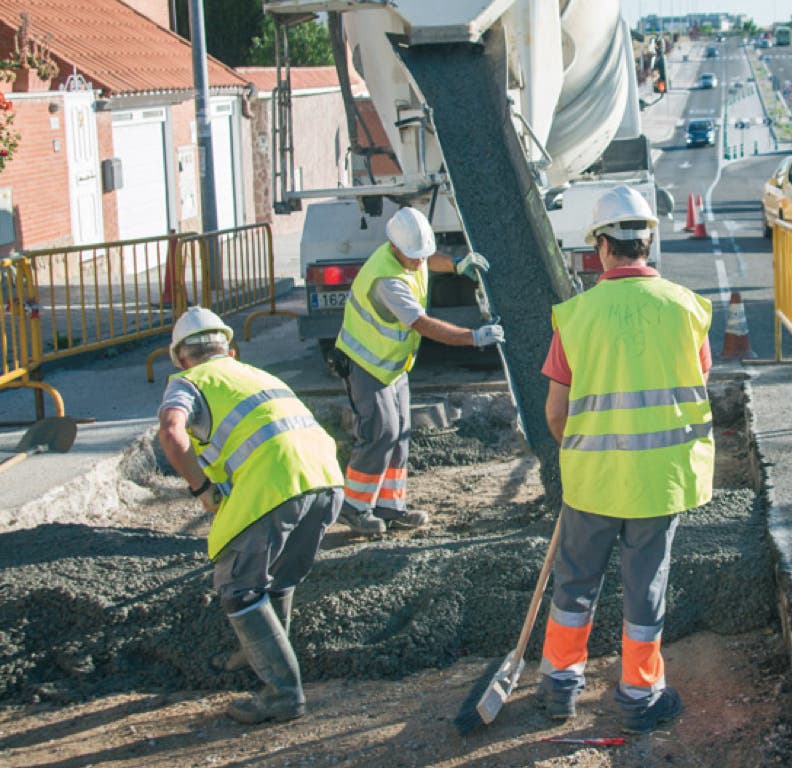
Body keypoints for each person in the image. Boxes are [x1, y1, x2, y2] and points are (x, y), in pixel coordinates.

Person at [534, 185, 715, 734]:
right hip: (659, 483)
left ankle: (559, 688)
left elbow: (556, 411)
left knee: (575, 585)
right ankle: (639, 695)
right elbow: (695, 383)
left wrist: (583, 451)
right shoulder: (687, 309)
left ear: (602, 248)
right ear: (648, 243)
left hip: (592, 481)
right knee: (645, 588)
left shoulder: (577, 316)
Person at [158, 307, 345, 725]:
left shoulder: (187, 382)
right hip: (326, 477)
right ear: (229, 348)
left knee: (239, 588)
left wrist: (202, 489)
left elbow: (171, 432)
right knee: (277, 579)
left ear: (181, 358)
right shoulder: (257, 375)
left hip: (275, 485)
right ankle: (266, 652)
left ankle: (282, 693)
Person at [333, 206, 504, 533]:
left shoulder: (411, 257)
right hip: (366, 364)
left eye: (421, 255)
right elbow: (424, 325)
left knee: (399, 436)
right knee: (380, 433)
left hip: (392, 364)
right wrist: (473, 337)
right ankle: (354, 507)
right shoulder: (387, 280)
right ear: (394, 247)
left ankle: (390, 507)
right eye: (413, 256)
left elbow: (430, 259)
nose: (418, 262)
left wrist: (457, 264)